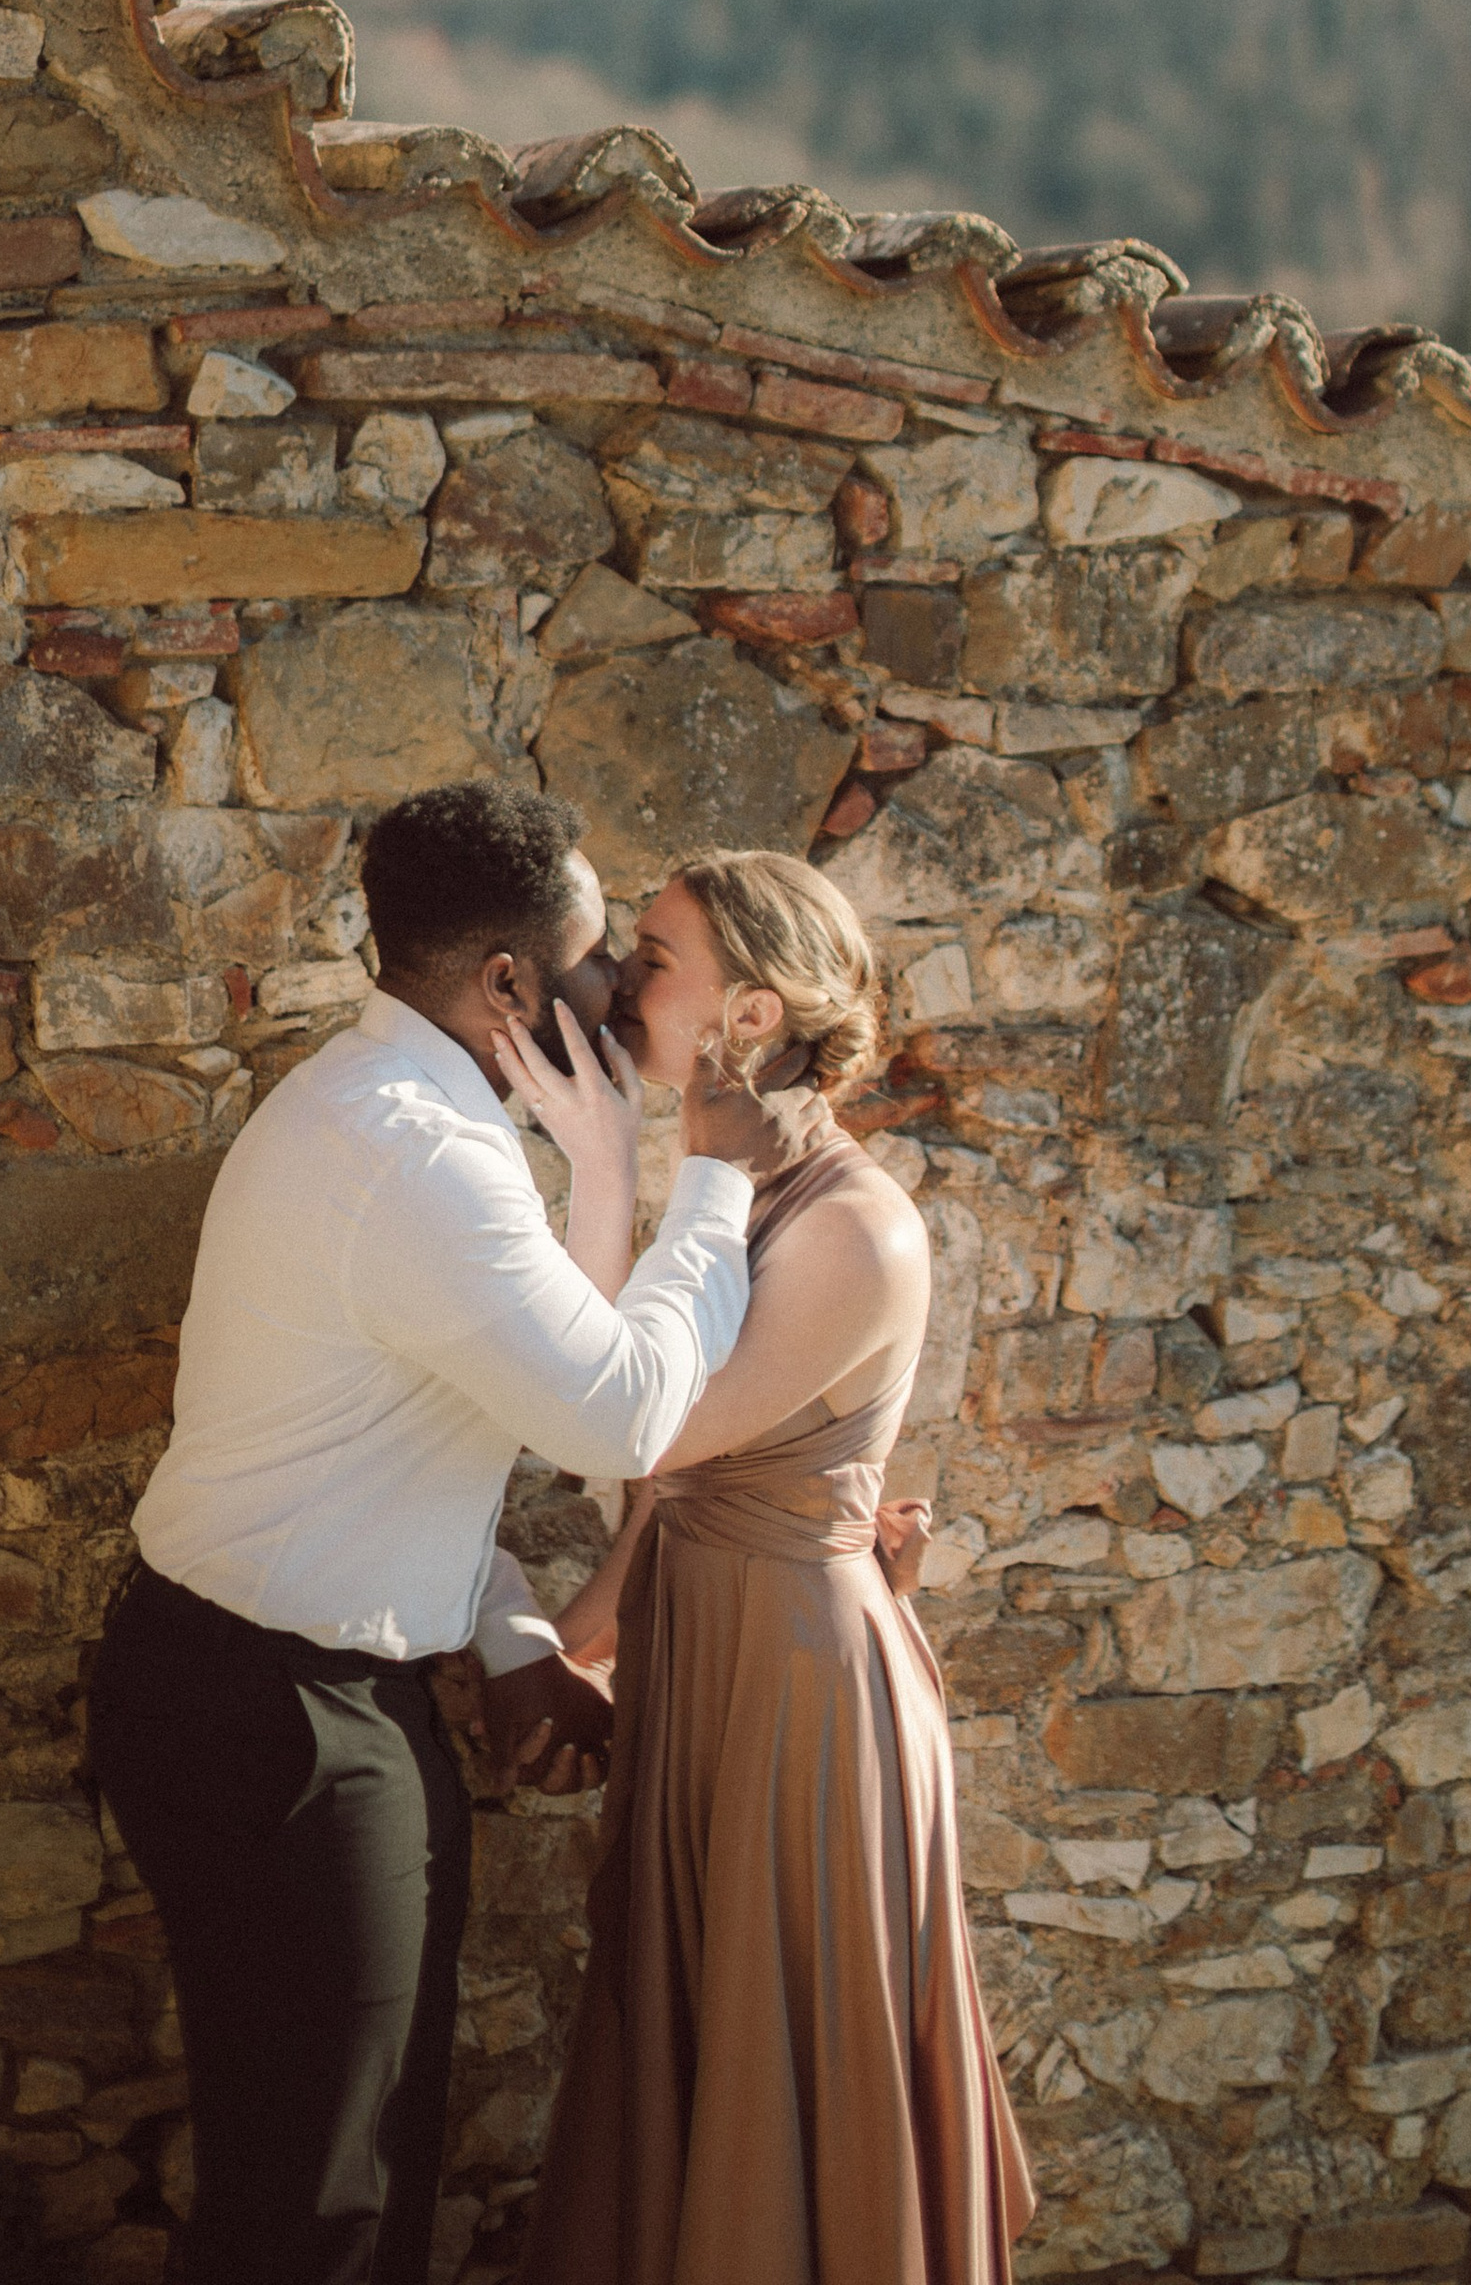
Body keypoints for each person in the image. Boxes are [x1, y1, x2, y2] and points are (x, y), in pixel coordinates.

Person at [88, 782, 803, 2285]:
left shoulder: (386, 1109)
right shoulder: (417, 1155)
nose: (618, 997)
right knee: (326, 2204)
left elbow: (436, 1435)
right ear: (506, 985)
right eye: (597, 959)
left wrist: (503, 1627)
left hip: (264, 1685)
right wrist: (713, 1177)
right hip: (279, 1718)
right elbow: (618, 1418)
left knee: (332, 2165)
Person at [500, 849, 1035, 2285]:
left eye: (652, 960)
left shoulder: (854, 1228)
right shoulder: (734, 1198)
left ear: (752, 1014)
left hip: (803, 1698)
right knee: (680, 2038)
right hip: (705, 1663)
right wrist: (572, 1648)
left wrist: (618, 1163)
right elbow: (654, 1490)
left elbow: (644, 1428)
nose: (614, 983)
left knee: (782, 2052)